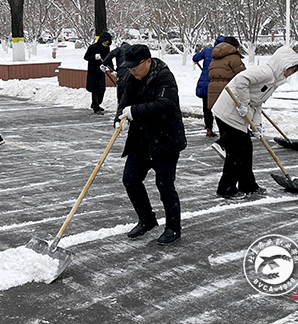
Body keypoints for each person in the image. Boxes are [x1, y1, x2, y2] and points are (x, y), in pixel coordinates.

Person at [114, 44, 187, 245]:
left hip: (165, 140)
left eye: (135, 66)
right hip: (140, 140)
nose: (132, 70)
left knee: (164, 186)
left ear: (147, 61)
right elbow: (124, 102)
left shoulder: (164, 77)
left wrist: (134, 112)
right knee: (130, 179)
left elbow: (166, 104)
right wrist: (119, 118)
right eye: (128, 67)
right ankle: (146, 219)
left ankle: (173, 227)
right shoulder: (130, 77)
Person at [212, 46, 298, 199]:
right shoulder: (265, 72)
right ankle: (226, 188)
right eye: (291, 69)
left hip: (238, 115)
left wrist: (258, 125)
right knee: (236, 153)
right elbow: (241, 80)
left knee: (245, 151)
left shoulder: (273, 81)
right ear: (283, 64)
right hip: (228, 113)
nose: (291, 73)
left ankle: (248, 185)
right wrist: (243, 104)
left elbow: (258, 103)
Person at [206, 36, 246, 137]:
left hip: (213, 90)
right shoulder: (233, 58)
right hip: (228, 91)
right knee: (231, 122)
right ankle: (224, 143)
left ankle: (224, 142)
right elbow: (243, 75)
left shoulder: (215, 58)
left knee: (220, 120)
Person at [193, 35, 225, 137]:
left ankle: (209, 129)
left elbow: (195, 58)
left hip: (205, 83)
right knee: (220, 108)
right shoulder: (224, 54)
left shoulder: (207, 51)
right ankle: (223, 130)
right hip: (217, 84)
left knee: (206, 108)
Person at [84, 31, 112, 115]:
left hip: (101, 71)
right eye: (105, 41)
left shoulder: (106, 48)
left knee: (102, 89)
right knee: (95, 90)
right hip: (93, 72)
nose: (106, 43)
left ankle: (96, 104)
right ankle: (96, 107)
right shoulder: (93, 47)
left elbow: (108, 59)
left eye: (108, 41)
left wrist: (112, 69)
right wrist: (94, 58)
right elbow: (86, 57)